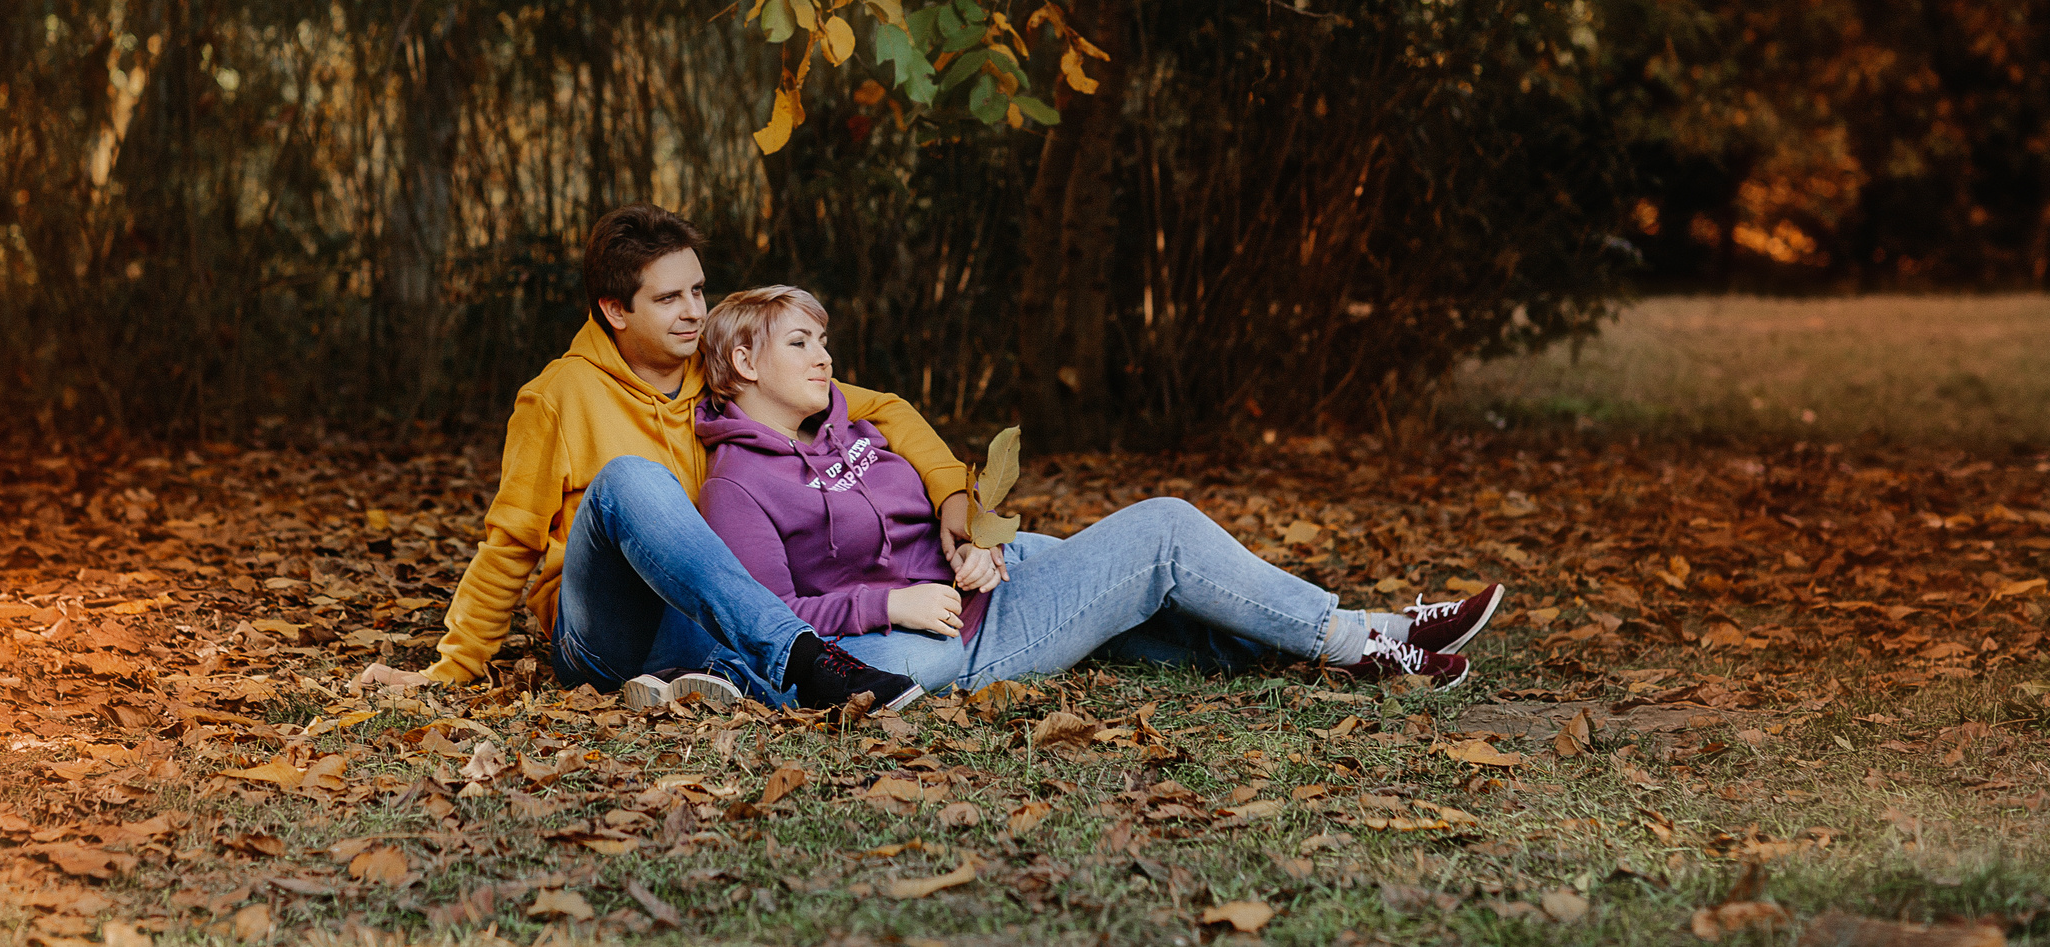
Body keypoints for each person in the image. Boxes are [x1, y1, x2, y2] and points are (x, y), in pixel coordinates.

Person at [693, 285, 1505, 695]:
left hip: (993, 579)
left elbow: (922, 511)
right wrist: (890, 603)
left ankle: (1384, 635)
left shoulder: (849, 424)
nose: (824, 357)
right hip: (966, 638)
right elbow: (772, 618)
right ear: (743, 363)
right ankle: (1358, 638)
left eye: (824, 341)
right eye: (801, 342)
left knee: (1185, 612)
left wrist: (975, 543)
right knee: (1164, 532)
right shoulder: (736, 485)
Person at [428, 205, 955, 712]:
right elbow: (511, 544)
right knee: (628, 479)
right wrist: (456, 665)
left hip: (712, 624)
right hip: (608, 633)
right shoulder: (557, 397)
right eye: (668, 298)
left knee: (921, 649)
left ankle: (730, 680)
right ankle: (799, 661)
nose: (694, 312)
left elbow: (882, 409)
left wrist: (952, 494)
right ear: (615, 310)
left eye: (698, 290)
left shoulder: (724, 371)